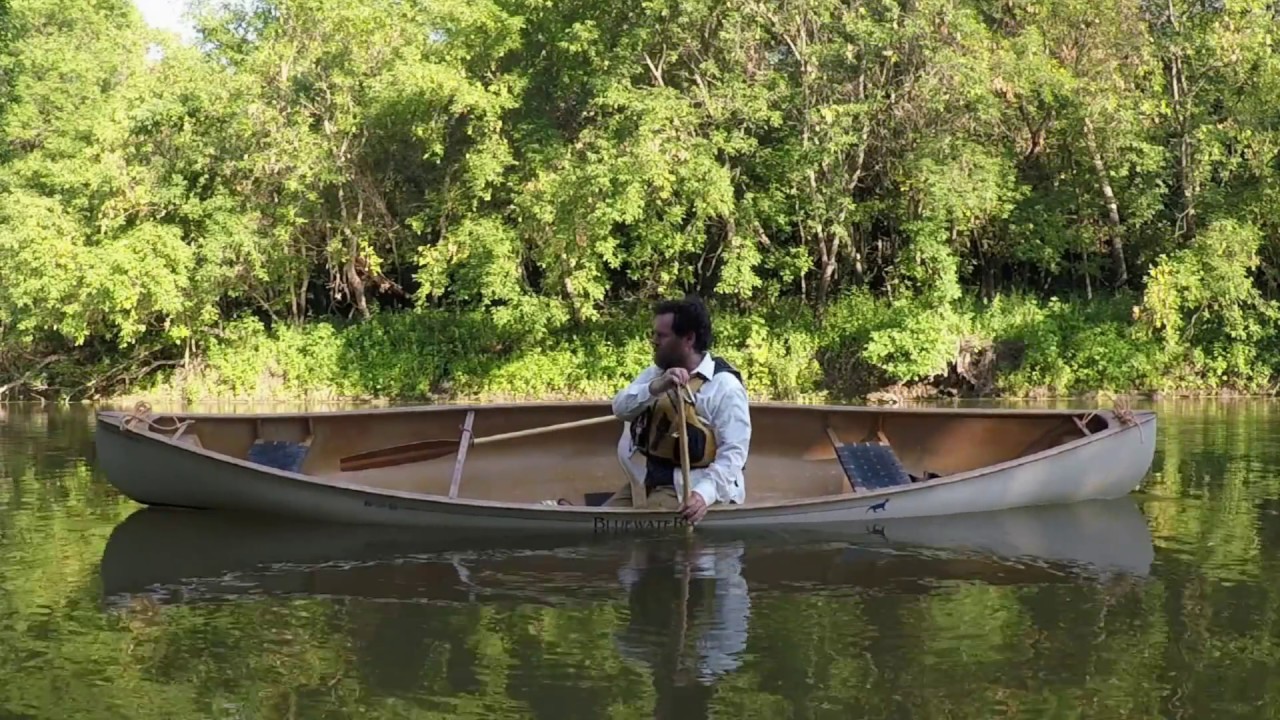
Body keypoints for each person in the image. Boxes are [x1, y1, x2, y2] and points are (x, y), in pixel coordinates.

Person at [607, 294, 751, 523]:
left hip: (688, 489)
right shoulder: (656, 373)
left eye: (661, 335)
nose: (654, 340)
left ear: (689, 338)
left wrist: (703, 495)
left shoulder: (725, 387)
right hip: (647, 481)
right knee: (598, 523)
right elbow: (620, 409)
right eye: (653, 334)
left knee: (618, 538)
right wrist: (656, 387)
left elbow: (734, 455)